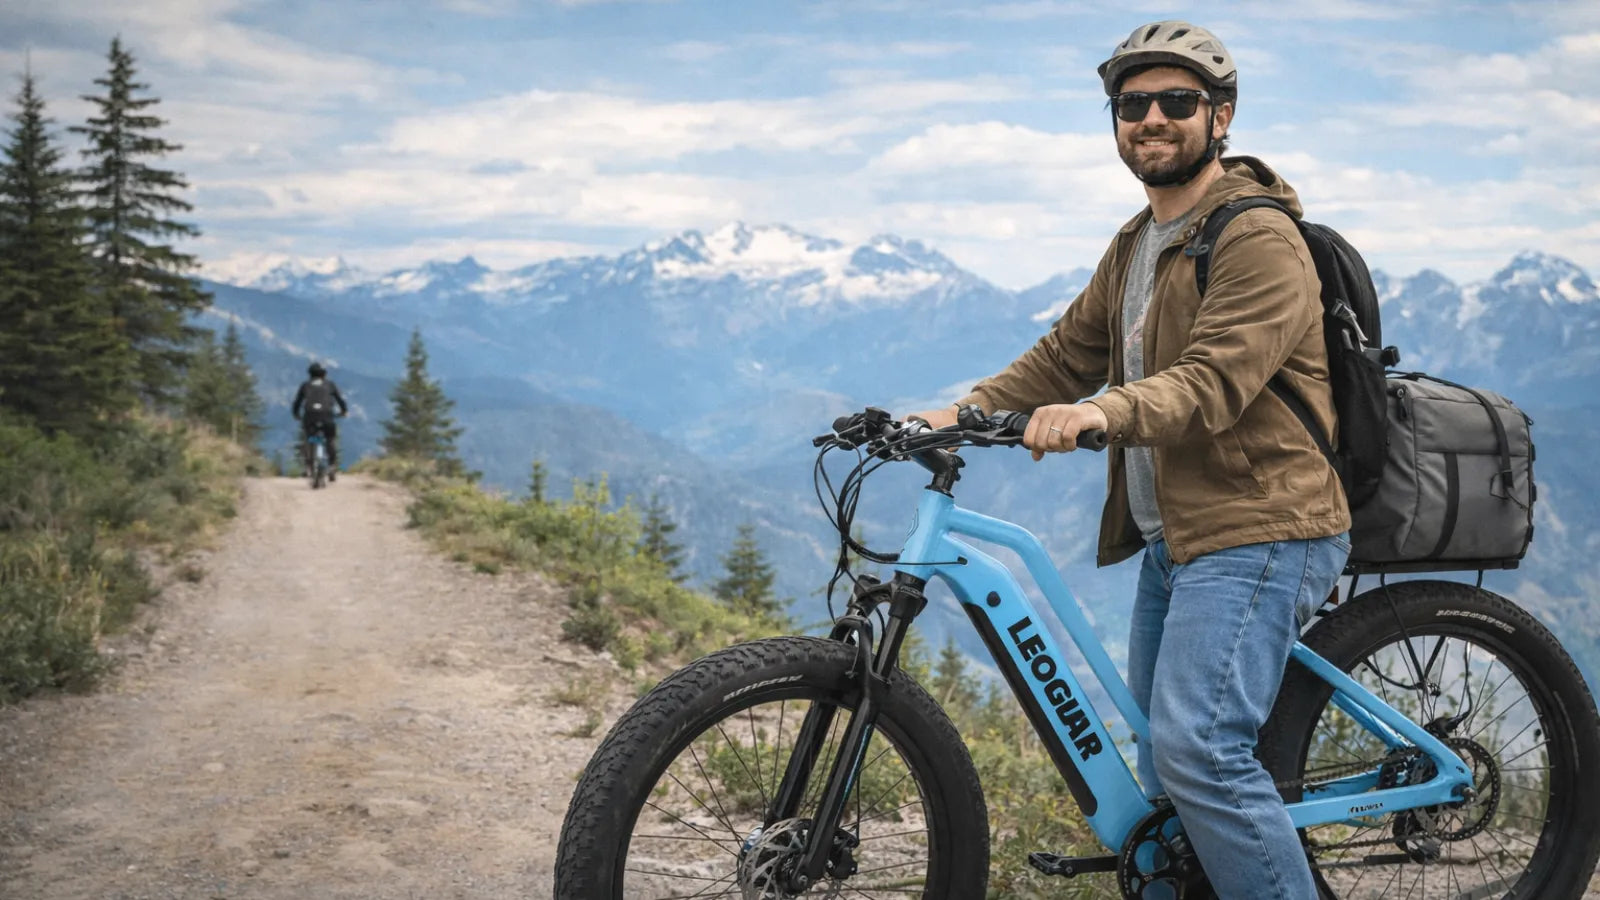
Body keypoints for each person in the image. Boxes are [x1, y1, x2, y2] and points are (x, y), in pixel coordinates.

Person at [905, 20, 1349, 900]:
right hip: (1173, 537)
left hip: (1262, 526)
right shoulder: (1138, 241)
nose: (1152, 118)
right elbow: (1065, 355)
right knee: (1164, 771)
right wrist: (955, 412)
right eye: (1132, 103)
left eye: (1176, 102)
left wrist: (1099, 414)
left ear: (1220, 117)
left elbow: (1211, 382)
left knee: (1199, 754)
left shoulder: (1260, 240)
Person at [292, 362, 348, 480]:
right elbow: (340, 400)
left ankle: (308, 466)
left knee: (309, 438)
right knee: (330, 439)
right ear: (324, 374)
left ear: (310, 374)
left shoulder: (305, 385)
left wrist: (296, 414)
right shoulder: (330, 384)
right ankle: (332, 467)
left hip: (310, 417)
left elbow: (297, 402)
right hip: (327, 416)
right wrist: (344, 411)